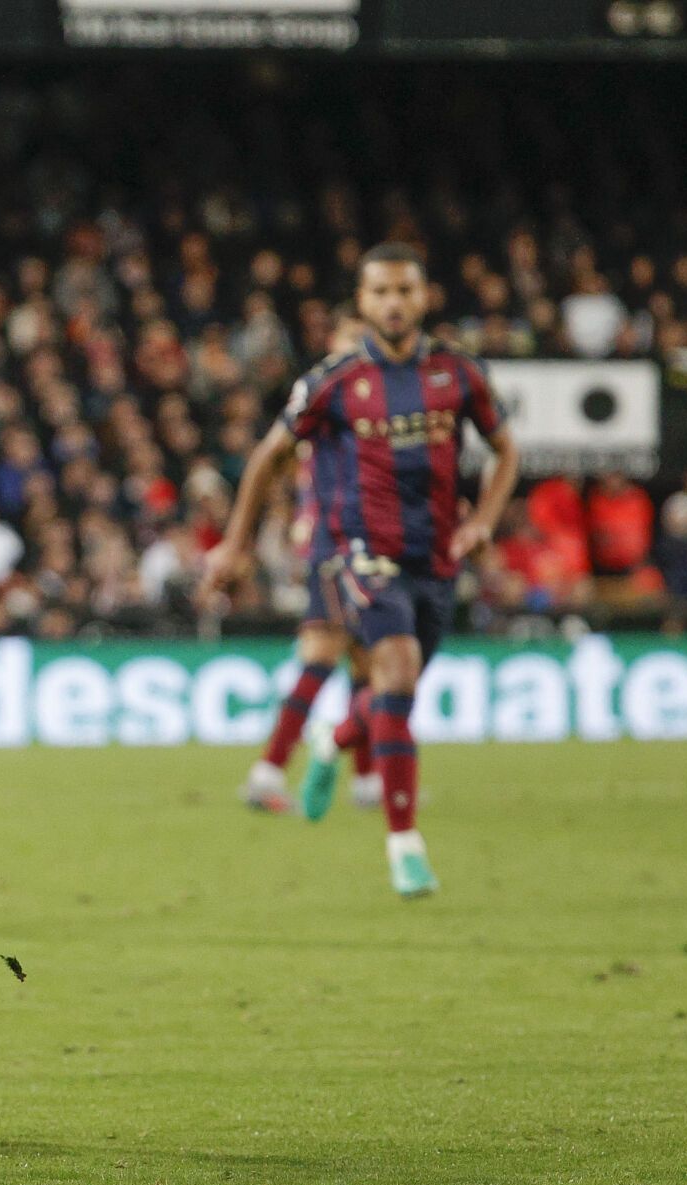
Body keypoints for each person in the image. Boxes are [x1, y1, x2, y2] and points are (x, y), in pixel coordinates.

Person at [204, 243, 519, 897]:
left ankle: (332, 739)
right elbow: (267, 456)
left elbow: (506, 450)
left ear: (425, 295)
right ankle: (405, 845)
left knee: (391, 697)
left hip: (436, 559)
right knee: (392, 673)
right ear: (363, 300)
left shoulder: (458, 374)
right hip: (360, 556)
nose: (394, 303)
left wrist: (483, 518)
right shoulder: (336, 379)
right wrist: (235, 545)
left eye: (405, 290)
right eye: (380, 292)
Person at [241, 311, 379, 815]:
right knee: (323, 655)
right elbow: (282, 457)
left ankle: (367, 781)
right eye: (349, 341)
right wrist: (303, 518)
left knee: (367, 661)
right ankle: (269, 771)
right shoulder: (326, 398)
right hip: (335, 545)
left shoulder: (372, 405)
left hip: (370, 546)